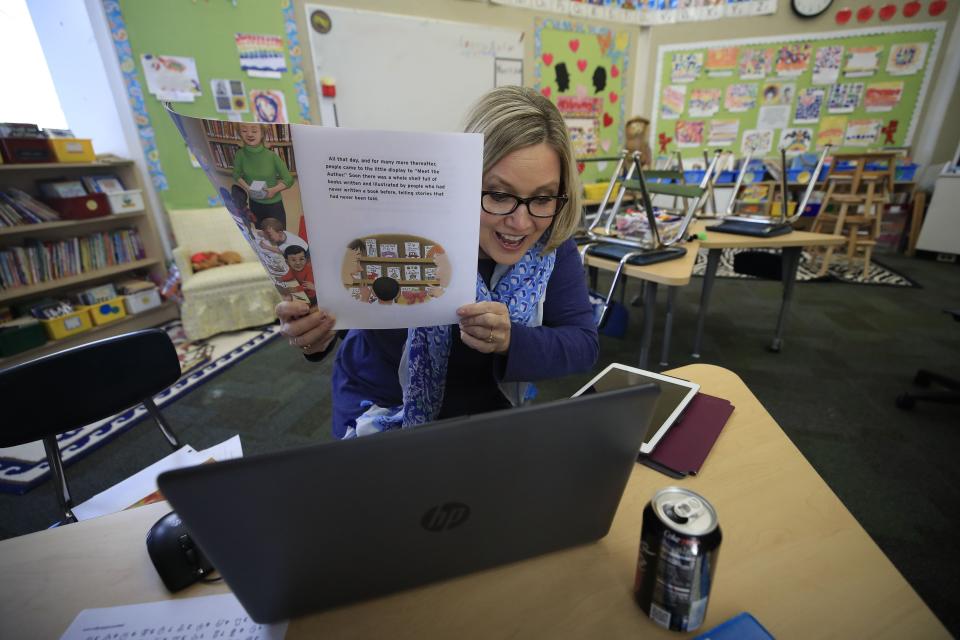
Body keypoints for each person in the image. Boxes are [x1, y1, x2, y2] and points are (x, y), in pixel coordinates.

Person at [277, 86, 598, 438]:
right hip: (380, 409)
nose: (521, 223)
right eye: (499, 194)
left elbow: (582, 344)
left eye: (543, 198)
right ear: (462, 180)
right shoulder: (405, 232)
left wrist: (511, 341)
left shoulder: (549, 242)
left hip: (486, 414)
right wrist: (315, 333)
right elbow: (340, 319)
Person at [232, 122, 295, 228]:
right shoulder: (240, 155)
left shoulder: (271, 156)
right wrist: (248, 188)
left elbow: (289, 180)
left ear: (262, 134)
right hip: (254, 203)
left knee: (279, 236)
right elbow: (236, 174)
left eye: (254, 131)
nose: (249, 134)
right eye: (244, 131)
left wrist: (273, 190)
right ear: (240, 134)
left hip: (274, 204)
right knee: (261, 234)